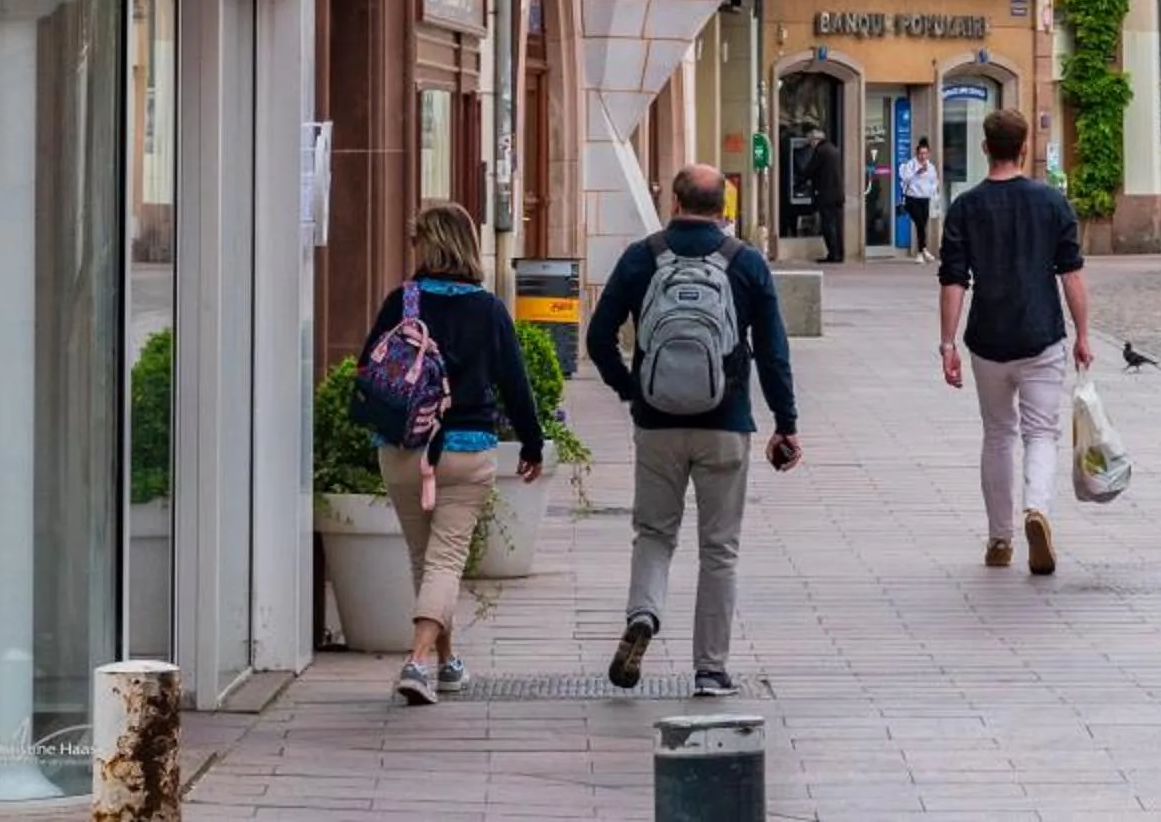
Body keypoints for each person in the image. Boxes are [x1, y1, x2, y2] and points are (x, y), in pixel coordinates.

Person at [588, 162, 801, 697]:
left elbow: (597, 337)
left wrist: (631, 389)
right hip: (725, 425)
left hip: (656, 423)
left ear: (675, 204)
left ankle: (644, 614)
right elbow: (774, 352)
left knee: (655, 534)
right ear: (724, 210)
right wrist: (786, 423)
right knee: (719, 549)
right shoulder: (746, 263)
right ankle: (710, 669)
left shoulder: (643, 257)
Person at [362, 200, 546, 707]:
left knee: (426, 560)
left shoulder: (403, 301)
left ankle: (447, 664)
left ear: (427, 243)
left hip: (403, 449)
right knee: (444, 561)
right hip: (466, 451)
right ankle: (419, 662)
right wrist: (532, 443)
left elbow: (367, 371)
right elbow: (515, 383)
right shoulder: (487, 308)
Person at [937, 107, 1091, 576]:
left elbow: (953, 280)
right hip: (1041, 333)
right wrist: (1083, 333)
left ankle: (1000, 539)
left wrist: (947, 344)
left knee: (998, 434)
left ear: (986, 148)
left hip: (987, 338)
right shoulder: (1051, 203)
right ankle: (1037, 510)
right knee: (1040, 432)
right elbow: (1071, 274)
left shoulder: (966, 206)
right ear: (1025, 148)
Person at [805, 129, 846, 263]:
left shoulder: (820, 151)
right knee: (838, 225)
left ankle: (833, 254)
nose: (810, 145)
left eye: (810, 142)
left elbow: (810, 170)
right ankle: (840, 253)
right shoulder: (834, 150)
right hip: (838, 194)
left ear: (815, 140)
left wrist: (798, 180)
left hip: (826, 195)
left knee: (828, 226)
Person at [899, 139, 940, 261]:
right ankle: (920, 252)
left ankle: (923, 250)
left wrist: (933, 194)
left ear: (928, 154)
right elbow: (905, 178)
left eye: (925, 153)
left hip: (925, 199)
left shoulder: (931, 167)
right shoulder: (911, 164)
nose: (923, 156)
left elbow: (934, 182)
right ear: (917, 154)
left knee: (923, 224)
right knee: (919, 223)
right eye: (921, 153)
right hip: (912, 198)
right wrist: (916, 172)